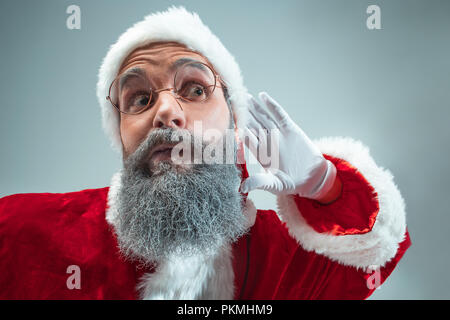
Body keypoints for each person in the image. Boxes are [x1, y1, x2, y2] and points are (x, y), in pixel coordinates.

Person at [0, 6, 410, 299]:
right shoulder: (19, 233)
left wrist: (325, 183)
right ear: (121, 134)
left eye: (195, 90)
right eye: (139, 98)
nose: (164, 112)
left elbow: (378, 252)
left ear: (235, 122)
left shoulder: (290, 259)